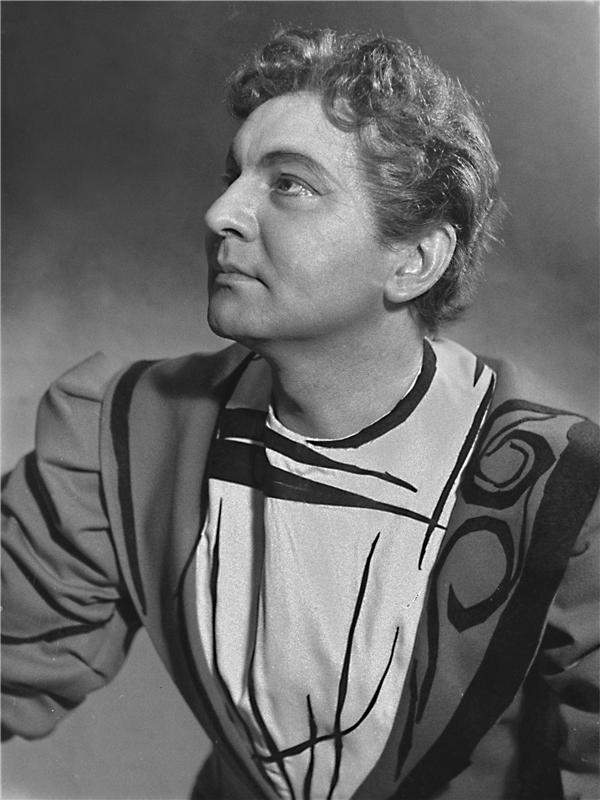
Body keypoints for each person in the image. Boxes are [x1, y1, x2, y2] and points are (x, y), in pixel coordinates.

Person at [2, 26, 598, 800]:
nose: (221, 213)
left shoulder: (567, 492)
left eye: (288, 184)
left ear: (415, 260)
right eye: (233, 175)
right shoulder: (127, 432)